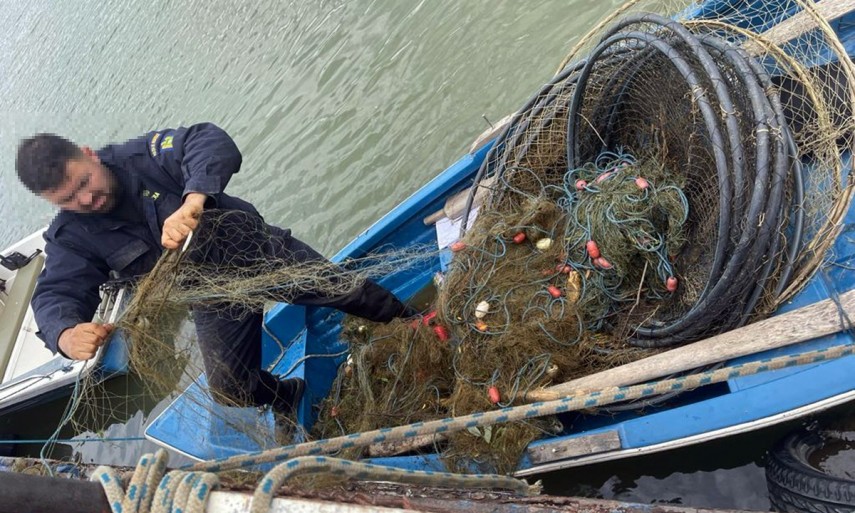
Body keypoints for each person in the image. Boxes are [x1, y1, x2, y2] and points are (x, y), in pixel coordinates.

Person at [15, 122, 414, 419]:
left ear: (88, 154)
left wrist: (193, 200)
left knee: (348, 291)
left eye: (85, 181)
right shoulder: (70, 236)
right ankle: (291, 397)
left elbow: (207, 139)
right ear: (52, 202)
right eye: (70, 199)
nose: (88, 198)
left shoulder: (145, 156)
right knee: (231, 389)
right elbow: (54, 294)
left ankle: (415, 323)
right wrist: (66, 333)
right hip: (210, 297)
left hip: (255, 251)